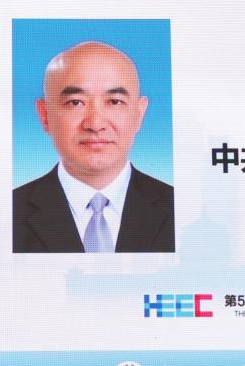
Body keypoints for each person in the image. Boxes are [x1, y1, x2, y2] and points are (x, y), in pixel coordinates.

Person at [13, 41, 174, 253]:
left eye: (115, 101)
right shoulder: (8, 212)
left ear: (139, 114)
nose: (95, 124)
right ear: (45, 115)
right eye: (75, 102)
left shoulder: (179, 207)